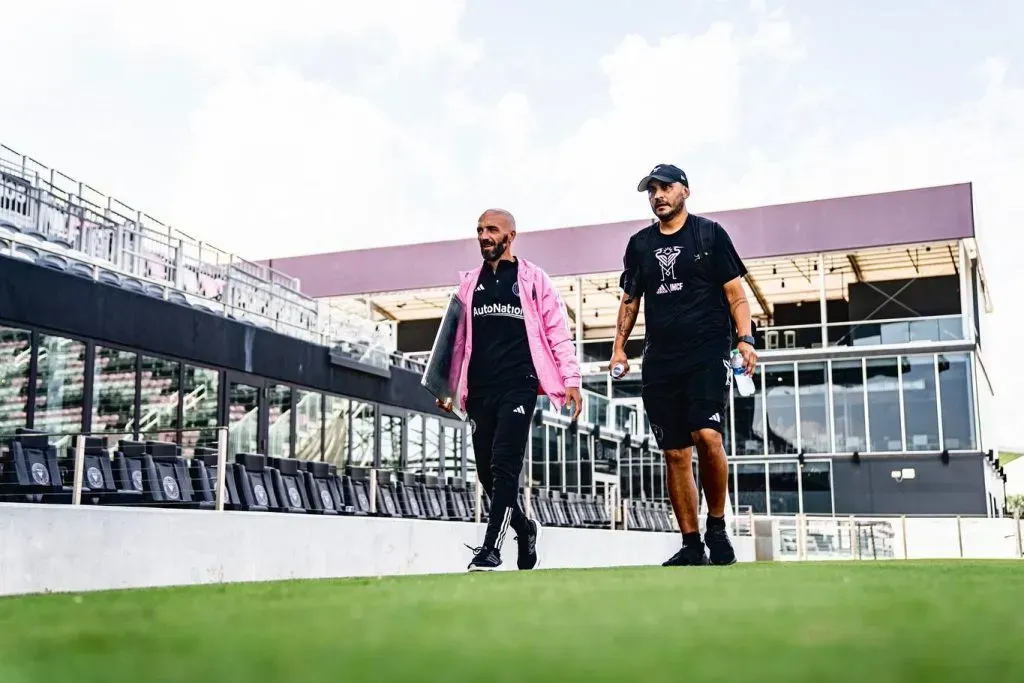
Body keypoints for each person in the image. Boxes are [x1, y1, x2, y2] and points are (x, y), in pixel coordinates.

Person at [610, 164, 757, 566]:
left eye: (665, 188)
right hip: (660, 361)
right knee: (675, 454)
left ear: (685, 192)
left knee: (707, 435)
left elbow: (735, 294)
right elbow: (630, 300)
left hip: (707, 353)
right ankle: (691, 544)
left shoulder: (709, 234)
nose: (657, 195)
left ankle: (716, 525)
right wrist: (619, 348)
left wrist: (744, 338)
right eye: (651, 190)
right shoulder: (639, 245)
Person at [438, 208, 583, 572]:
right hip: (480, 389)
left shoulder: (533, 279)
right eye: (479, 230)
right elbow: (455, 341)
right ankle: (525, 528)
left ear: (510, 236)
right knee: (487, 474)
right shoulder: (469, 284)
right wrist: (447, 388)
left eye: (492, 230)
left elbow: (557, 333)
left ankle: (491, 548)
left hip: (519, 385)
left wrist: (572, 380)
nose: (484, 236)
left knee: (505, 468)